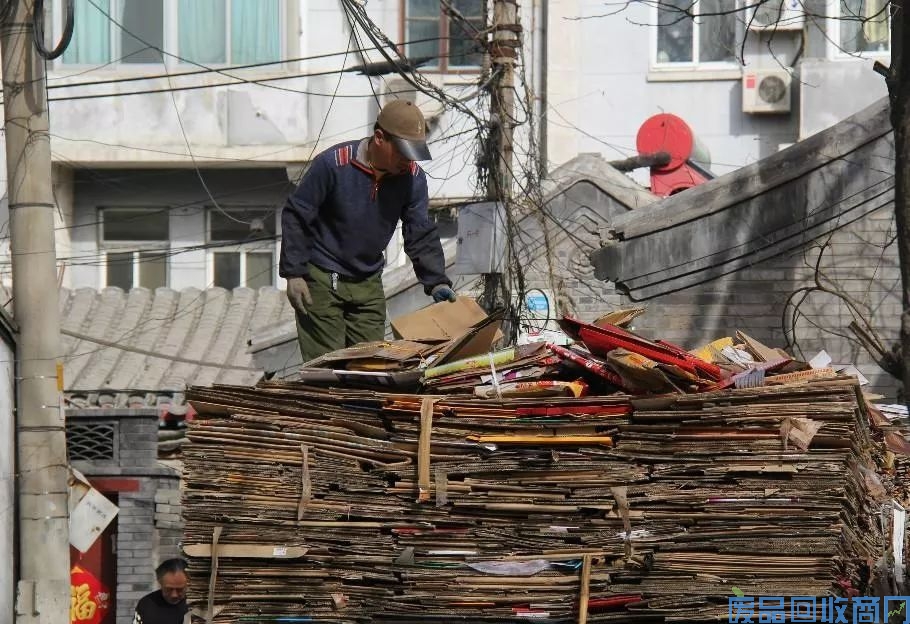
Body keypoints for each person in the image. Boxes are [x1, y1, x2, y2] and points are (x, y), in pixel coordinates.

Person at [280, 99, 457, 363]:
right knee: (328, 367)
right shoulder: (334, 164)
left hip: (368, 279)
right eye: (403, 152)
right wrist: (294, 273)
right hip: (321, 276)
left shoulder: (413, 178)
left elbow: (419, 231)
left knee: (370, 366)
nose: (407, 161)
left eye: (413, 153)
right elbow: (297, 214)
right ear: (379, 138)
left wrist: (436, 280)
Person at [133, 558, 189, 624]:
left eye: (180, 589)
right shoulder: (146, 605)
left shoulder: (197, 604)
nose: (174, 595)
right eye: (168, 589)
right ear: (160, 582)